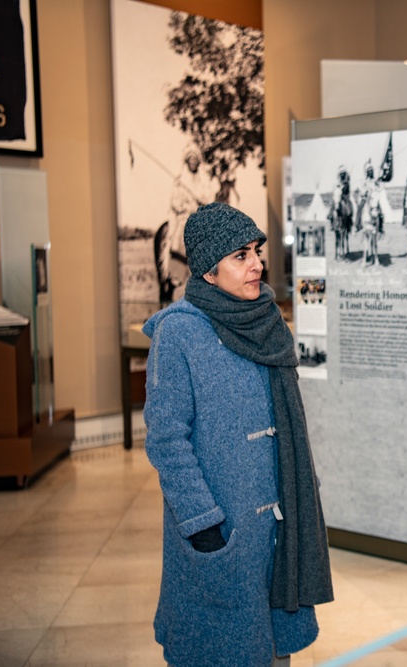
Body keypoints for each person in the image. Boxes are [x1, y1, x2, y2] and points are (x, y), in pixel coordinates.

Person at [142, 202, 334, 666]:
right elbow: (167, 439)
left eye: (256, 252)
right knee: (221, 650)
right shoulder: (179, 333)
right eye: (240, 256)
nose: (257, 265)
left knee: (273, 652)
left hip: (275, 529)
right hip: (222, 530)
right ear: (209, 271)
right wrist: (203, 524)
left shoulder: (266, 321)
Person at [158, 143, 218, 301]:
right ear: (186, 162)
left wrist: (202, 202)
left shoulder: (204, 184)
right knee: (178, 241)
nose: (193, 163)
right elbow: (175, 203)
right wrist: (186, 206)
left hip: (200, 220)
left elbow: (210, 200)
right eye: (190, 160)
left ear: (198, 163)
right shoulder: (179, 182)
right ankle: (177, 277)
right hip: (185, 219)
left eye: (195, 160)